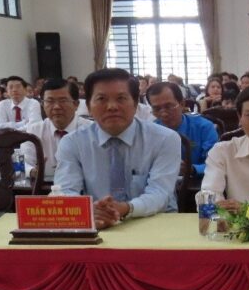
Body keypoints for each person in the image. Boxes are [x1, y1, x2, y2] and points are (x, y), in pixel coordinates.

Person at [55, 68, 181, 229]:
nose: (112, 106)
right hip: (97, 223)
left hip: (156, 223)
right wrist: (88, 210)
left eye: (121, 98)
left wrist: (126, 209)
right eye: (101, 99)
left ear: (135, 104)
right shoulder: (72, 143)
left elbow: (160, 192)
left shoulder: (165, 139)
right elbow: (64, 192)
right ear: (88, 106)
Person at [21, 78, 92, 179]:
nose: (56, 107)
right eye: (50, 101)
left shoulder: (91, 130)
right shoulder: (34, 131)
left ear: (76, 104)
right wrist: (32, 171)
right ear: (42, 104)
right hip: (45, 185)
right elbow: (24, 162)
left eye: (63, 101)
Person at [147, 81, 218, 177]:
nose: (164, 114)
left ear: (182, 104)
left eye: (169, 106)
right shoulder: (150, 131)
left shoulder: (204, 127)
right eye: (157, 109)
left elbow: (216, 164)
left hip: (196, 182)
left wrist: (192, 169)